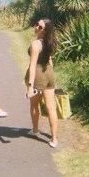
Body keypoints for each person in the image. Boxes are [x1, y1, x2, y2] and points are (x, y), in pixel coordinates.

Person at [25, 18, 58, 148]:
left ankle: (35, 130)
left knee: (34, 105)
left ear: (44, 31)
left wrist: (30, 86)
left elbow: (32, 66)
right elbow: (50, 59)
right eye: (37, 25)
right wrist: (51, 75)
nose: (36, 27)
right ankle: (54, 139)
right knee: (51, 108)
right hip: (49, 73)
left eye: (39, 26)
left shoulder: (36, 44)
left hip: (39, 75)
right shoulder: (51, 42)